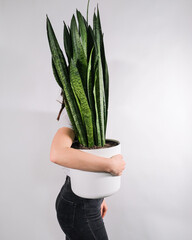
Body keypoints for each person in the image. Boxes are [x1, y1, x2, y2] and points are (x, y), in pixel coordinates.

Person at [50, 103, 126, 240]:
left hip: (83, 200)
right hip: (78, 206)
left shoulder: (90, 107)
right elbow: (57, 154)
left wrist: (99, 196)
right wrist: (110, 165)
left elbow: (92, 152)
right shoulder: (74, 111)